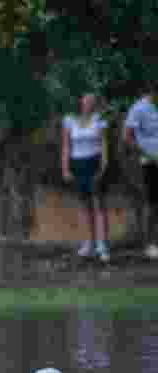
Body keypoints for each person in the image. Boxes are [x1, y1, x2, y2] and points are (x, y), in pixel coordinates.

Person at [61, 93, 110, 261]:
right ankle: (89, 243)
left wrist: (104, 164)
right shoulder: (69, 120)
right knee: (84, 204)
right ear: (80, 102)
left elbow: (104, 143)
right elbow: (66, 145)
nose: (89, 104)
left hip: (94, 162)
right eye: (86, 101)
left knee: (99, 203)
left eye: (92, 102)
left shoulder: (99, 119)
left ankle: (102, 245)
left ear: (95, 104)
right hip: (77, 164)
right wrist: (65, 168)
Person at [123, 85, 158, 260]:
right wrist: (146, 153)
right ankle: (150, 244)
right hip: (150, 162)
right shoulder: (139, 108)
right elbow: (127, 137)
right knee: (152, 204)